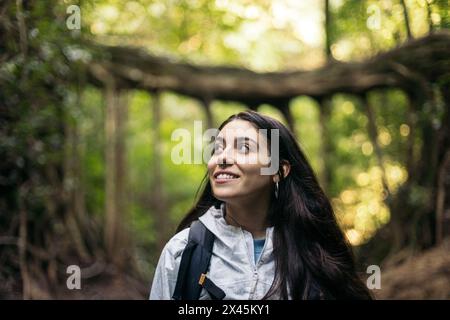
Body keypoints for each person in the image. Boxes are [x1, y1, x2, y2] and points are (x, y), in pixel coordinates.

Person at [149, 110, 372, 300]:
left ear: (279, 171)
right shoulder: (182, 251)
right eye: (218, 148)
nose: (223, 159)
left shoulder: (315, 251)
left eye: (244, 148)